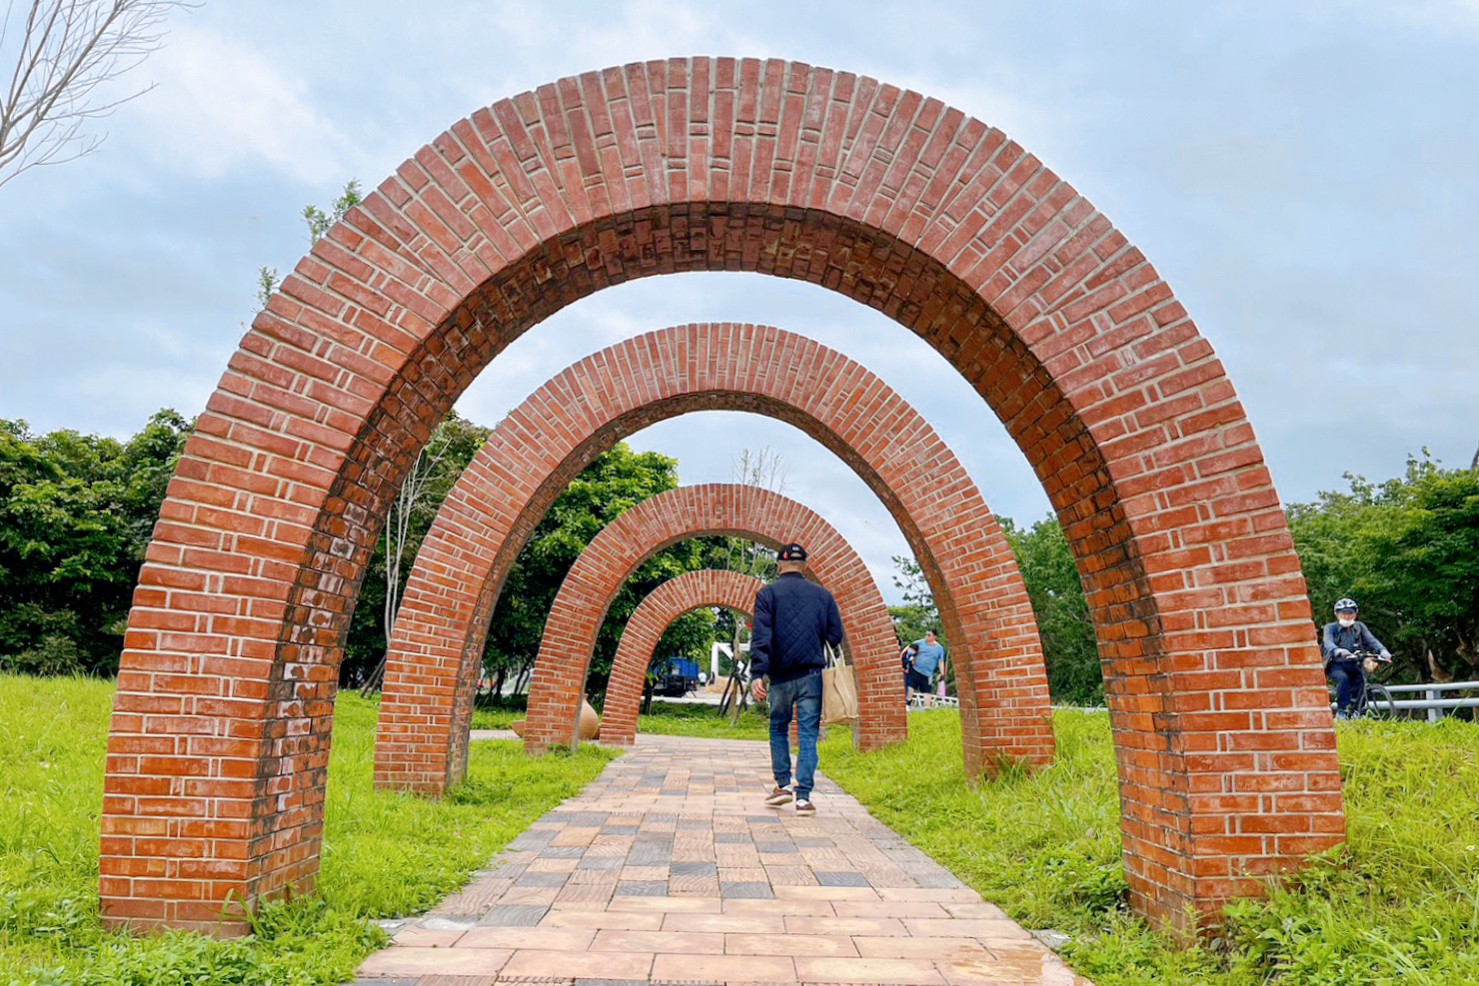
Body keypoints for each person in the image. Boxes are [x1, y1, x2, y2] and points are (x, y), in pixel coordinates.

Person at [749, 542, 842, 815]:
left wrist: (758, 674)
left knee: (779, 727)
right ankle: (803, 797)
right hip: (811, 675)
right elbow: (835, 636)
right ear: (805, 566)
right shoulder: (822, 596)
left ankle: (782, 786)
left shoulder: (768, 594)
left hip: (779, 676)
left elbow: (762, 637)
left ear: (779, 565)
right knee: (808, 733)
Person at [1321, 597, 1392, 720]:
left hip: (1355, 662)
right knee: (1344, 679)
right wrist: (1338, 651)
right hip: (1336, 664)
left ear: (1355, 614)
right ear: (1337, 615)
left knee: (1361, 682)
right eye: (1344, 613)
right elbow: (1328, 642)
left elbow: (1372, 641)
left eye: (1350, 613)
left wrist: (1383, 651)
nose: (1347, 616)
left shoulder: (1359, 627)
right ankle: (1342, 711)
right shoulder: (1330, 628)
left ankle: (1356, 711)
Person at [906, 629, 945, 707]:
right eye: (926, 634)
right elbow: (908, 649)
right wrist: (911, 657)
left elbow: (941, 661)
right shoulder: (919, 643)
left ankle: (927, 708)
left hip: (928, 673)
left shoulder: (939, 648)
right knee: (911, 686)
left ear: (934, 637)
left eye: (929, 635)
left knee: (927, 691)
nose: (926, 636)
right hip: (916, 669)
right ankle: (908, 701)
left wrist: (942, 672)